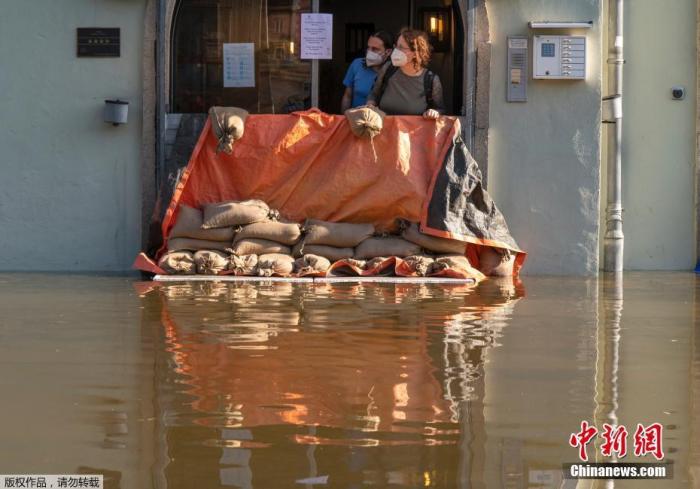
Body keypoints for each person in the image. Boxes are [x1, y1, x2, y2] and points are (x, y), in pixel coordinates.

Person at [366, 28, 444, 119]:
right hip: (383, 130)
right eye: (396, 46)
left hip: (412, 132)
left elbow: (440, 109)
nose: (396, 51)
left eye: (401, 47)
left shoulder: (431, 80)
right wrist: (370, 104)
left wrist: (435, 112)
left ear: (415, 53)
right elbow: (374, 94)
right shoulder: (388, 68)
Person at [340, 31, 394, 112]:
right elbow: (348, 96)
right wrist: (343, 118)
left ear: (388, 52)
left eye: (375, 49)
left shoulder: (394, 71)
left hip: (383, 121)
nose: (369, 52)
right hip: (356, 120)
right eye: (368, 47)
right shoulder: (357, 64)